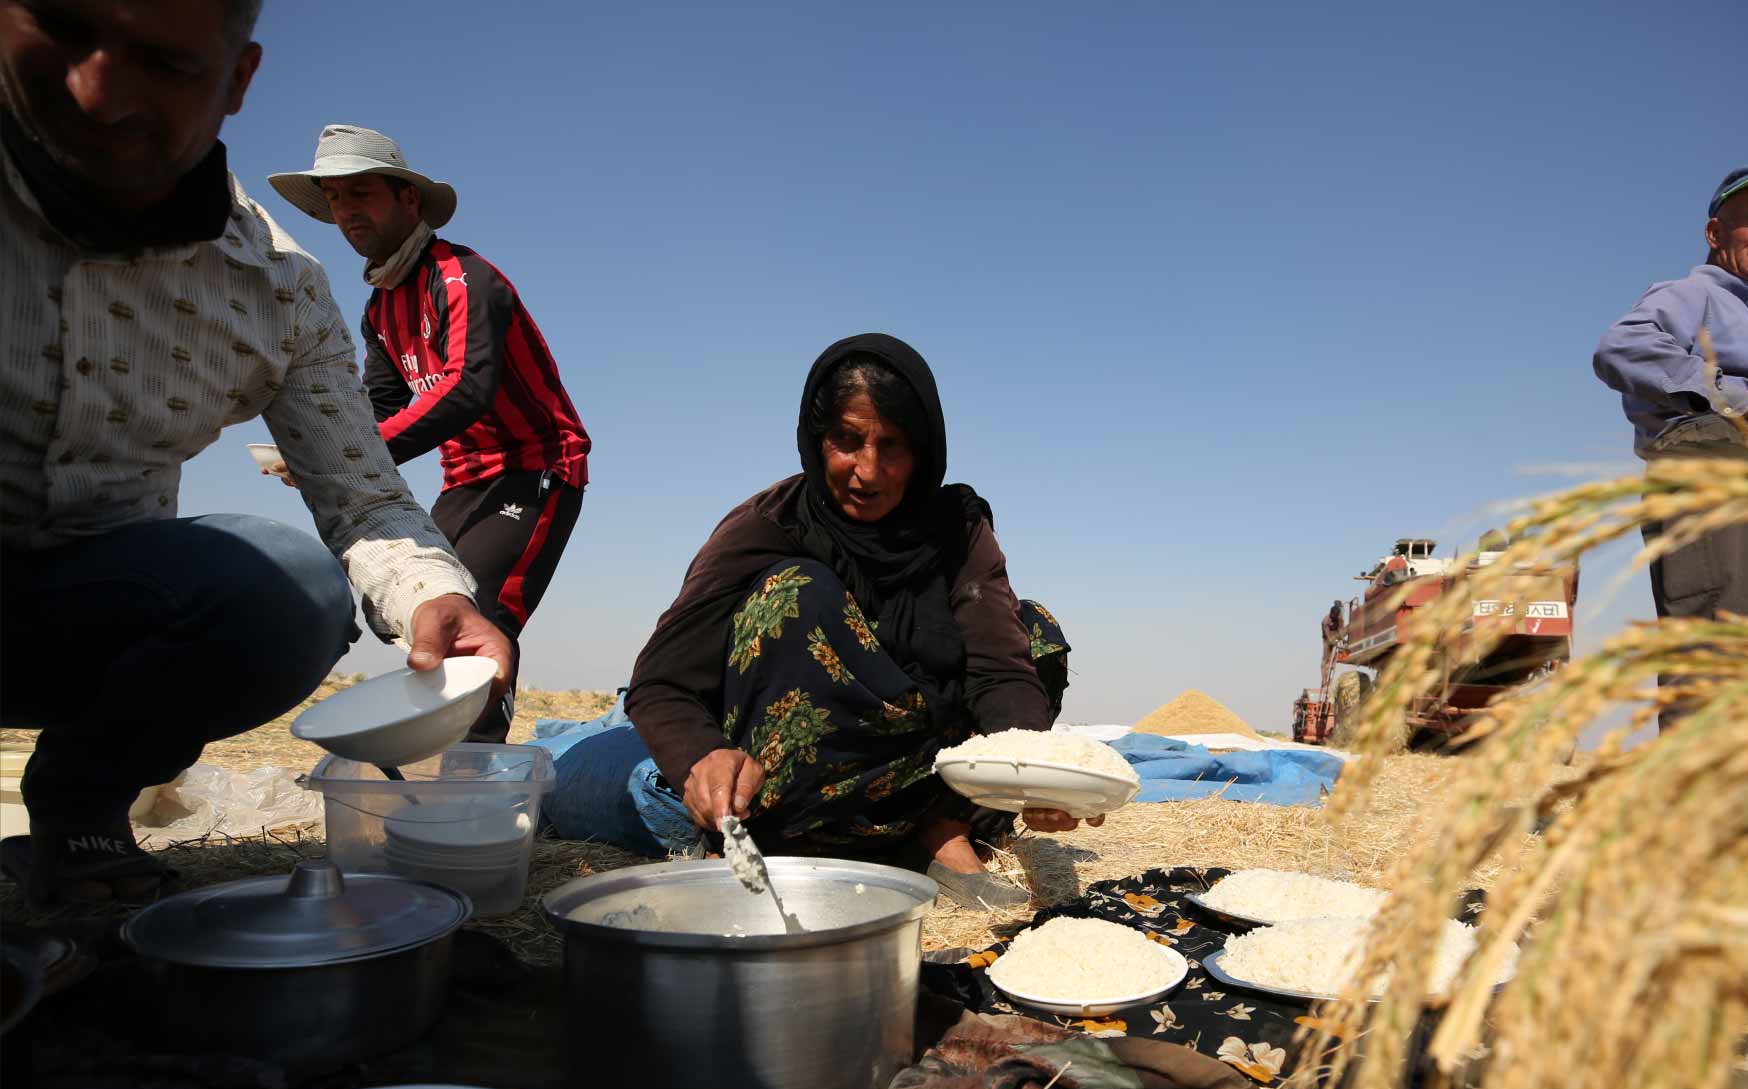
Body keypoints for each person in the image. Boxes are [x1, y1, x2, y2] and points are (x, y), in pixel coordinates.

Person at [0, 0, 512, 903]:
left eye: (165, 62)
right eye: (63, 28)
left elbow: (368, 480)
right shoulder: (378, 301)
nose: (99, 90)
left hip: (79, 608)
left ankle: (81, 811)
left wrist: (431, 590)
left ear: (235, 82)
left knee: (289, 591)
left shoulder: (287, 287)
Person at [625, 334, 1087, 905]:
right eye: (847, 441)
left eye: (892, 446)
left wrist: (1039, 772)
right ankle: (776, 843)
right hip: (805, 784)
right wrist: (701, 756)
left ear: (923, 452)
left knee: (1035, 631)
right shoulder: (768, 525)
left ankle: (941, 830)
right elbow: (661, 681)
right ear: (817, 440)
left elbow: (999, 666)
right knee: (797, 591)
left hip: (920, 770)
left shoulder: (957, 530)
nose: (868, 472)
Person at [267, 126, 590, 743]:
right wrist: (317, 447)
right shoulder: (379, 307)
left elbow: (467, 388)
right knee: (429, 601)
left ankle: (478, 769)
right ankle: (443, 757)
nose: (346, 211)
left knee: (479, 613)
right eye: (334, 199)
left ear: (408, 198)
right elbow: (377, 404)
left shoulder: (463, 277)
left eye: (361, 193)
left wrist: (348, 455)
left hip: (534, 467)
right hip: (464, 477)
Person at [1594, 161, 1748, 642]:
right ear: (1714, 233)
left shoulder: (1745, 308)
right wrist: (1735, 398)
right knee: (1718, 657)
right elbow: (1620, 348)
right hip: (1715, 478)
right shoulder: (1693, 294)